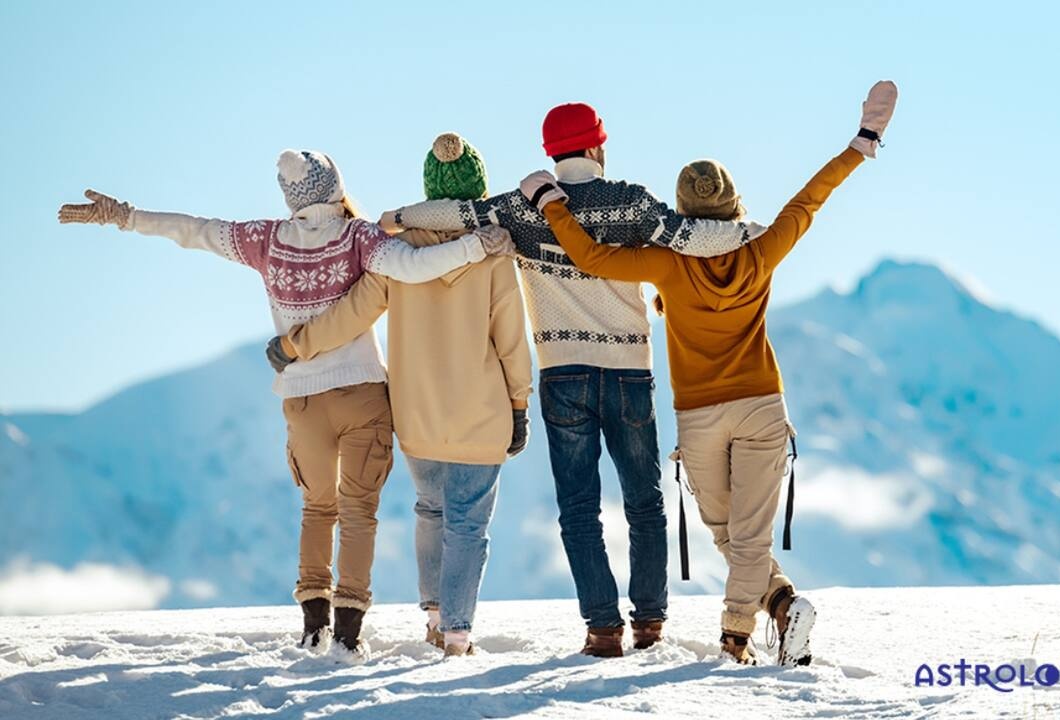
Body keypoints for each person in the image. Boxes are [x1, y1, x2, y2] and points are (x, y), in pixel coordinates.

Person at [57, 150, 513, 658]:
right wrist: (476, 247)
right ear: (335, 184)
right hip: (362, 392)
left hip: (301, 399)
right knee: (359, 513)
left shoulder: (265, 240)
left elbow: (196, 230)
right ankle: (348, 634)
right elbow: (415, 265)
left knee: (317, 509)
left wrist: (125, 217)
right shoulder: (359, 237)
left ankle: (313, 625)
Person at [517, 81, 898, 665]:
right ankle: (783, 606)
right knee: (738, 536)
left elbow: (590, 257)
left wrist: (549, 203)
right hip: (762, 408)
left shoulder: (667, 264)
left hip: (698, 418)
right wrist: (862, 142)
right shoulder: (761, 250)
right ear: (734, 207)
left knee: (731, 534)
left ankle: (736, 637)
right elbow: (809, 200)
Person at [379, 106, 768, 656]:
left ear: (552, 154)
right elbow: (693, 237)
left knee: (579, 507)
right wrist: (753, 232)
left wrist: (396, 216)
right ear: (597, 148)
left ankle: (602, 629)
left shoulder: (519, 209)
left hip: (562, 373)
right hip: (630, 371)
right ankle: (650, 623)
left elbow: (455, 212)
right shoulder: (630, 200)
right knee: (644, 502)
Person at [268, 134, 532, 658]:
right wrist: (520, 404)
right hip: (481, 414)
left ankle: (435, 621)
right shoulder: (494, 254)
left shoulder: (398, 252)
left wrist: (295, 344)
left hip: (414, 415)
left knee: (430, 511)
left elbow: (351, 315)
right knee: (468, 523)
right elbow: (511, 341)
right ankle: (457, 635)